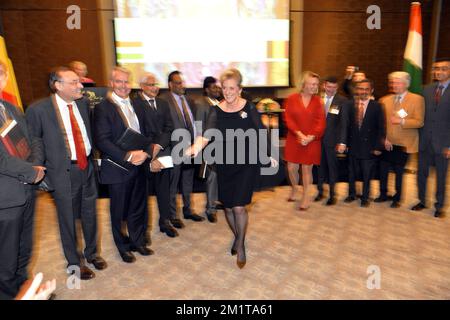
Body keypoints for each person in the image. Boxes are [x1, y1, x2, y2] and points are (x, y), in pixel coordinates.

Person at [187, 68, 277, 269]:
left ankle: (241, 245)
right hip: (225, 164)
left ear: (240, 89)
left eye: (232, 88)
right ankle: (238, 236)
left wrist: (269, 154)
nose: (228, 92)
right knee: (227, 206)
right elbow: (207, 134)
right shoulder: (215, 110)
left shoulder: (249, 108)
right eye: (224, 88)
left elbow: (261, 132)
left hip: (246, 163)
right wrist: (195, 147)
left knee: (239, 206)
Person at [26, 66, 106, 280]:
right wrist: (38, 171)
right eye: (74, 82)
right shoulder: (38, 110)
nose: (81, 86)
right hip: (62, 173)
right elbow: (35, 143)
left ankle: (92, 254)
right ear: (58, 85)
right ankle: (75, 263)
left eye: (79, 81)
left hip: (86, 167)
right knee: (68, 220)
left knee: (90, 213)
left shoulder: (82, 103)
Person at [94, 66, 153, 262]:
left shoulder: (138, 105)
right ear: (111, 83)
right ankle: (123, 247)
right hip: (118, 168)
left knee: (138, 206)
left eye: (126, 82)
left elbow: (146, 133)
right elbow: (102, 140)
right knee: (119, 211)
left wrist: (145, 153)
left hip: (140, 165)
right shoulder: (104, 107)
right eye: (118, 81)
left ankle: (138, 242)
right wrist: (128, 156)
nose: (123, 86)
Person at [0, 60, 45, 299]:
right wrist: (31, 171)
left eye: (0, 74)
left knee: (23, 250)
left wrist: (35, 165)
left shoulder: (11, 108)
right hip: (5, 199)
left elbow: (33, 139)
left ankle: (22, 291)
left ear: (5, 79)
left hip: (28, 191)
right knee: (5, 259)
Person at [133, 72, 178, 238]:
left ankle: (165, 222)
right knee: (143, 193)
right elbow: (137, 131)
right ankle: (143, 229)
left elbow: (169, 127)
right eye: (151, 85)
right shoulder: (134, 103)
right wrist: (151, 152)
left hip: (163, 150)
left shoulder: (163, 103)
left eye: (155, 84)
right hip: (144, 154)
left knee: (164, 190)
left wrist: (159, 146)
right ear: (142, 87)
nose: (155, 87)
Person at [160, 70, 205, 230]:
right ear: (170, 85)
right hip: (174, 148)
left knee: (187, 180)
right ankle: (173, 216)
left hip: (191, 147)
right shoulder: (163, 100)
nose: (181, 85)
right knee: (173, 184)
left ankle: (188, 210)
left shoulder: (189, 100)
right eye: (178, 83)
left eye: (182, 82)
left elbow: (193, 122)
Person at [377, 72, 424, 208]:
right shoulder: (384, 100)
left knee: (398, 172)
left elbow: (419, 122)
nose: (394, 85)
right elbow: (381, 123)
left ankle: (397, 198)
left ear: (406, 84)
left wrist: (402, 120)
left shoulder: (417, 99)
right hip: (387, 142)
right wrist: (383, 139)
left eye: (398, 82)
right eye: (392, 82)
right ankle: (383, 194)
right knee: (383, 170)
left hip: (404, 144)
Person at [411, 57, 450, 218]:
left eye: (443, 69)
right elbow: (416, 110)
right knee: (421, 173)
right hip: (424, 141)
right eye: (436, 69)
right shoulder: (425, 89)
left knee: (441, 176)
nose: (439, 72)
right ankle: (422, 200)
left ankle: (439, 205)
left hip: (443, 143)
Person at [283, 71, 326, 210]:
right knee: (291, 168)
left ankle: (306, 196)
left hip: (312, 140)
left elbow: (321, 122)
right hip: (295, 138)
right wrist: (299, 134)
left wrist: (311, 137)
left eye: (316, 84)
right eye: (312, 84)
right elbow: (288, 118)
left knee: (307, 169)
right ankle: (295, 188)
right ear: (304, 84)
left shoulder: (318, 101)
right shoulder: (291, 98)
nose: (315, 87)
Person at [344, 79, 385, 207]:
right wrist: (344, 143)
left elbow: (381, 128)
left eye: (366, 89)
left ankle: (365, 197)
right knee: (351, 172)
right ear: (357, 90)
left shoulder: (377, 106)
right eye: (361, 88)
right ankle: (351, 194)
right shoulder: (350, 105)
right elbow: (345, 126)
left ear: (371, 90)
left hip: (369, 147)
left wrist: (379, 146)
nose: (363, 91)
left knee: (367, 174)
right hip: (353, 145)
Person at [315, 76, 348, 205]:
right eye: (329, 87)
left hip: (333, 141)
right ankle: (320, 191)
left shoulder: (342, 101)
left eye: (334, 87)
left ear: (337, 87)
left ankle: (332, 195)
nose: (331, 90)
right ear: (324, 86)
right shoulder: (317, 99)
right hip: (317, 141)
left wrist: (342, 142)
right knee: (320, 167)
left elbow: (344, 124)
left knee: (332, 168)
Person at [194, 76, 222, 222]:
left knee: (220, 176)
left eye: (218, 87)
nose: (217, 89)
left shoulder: (220, 103)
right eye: (213, 87)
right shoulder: (202, 104)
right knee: (212, 177)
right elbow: (199, 127)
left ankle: (216, 202)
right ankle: (210, 209)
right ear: (206, 89)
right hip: (209, 147)